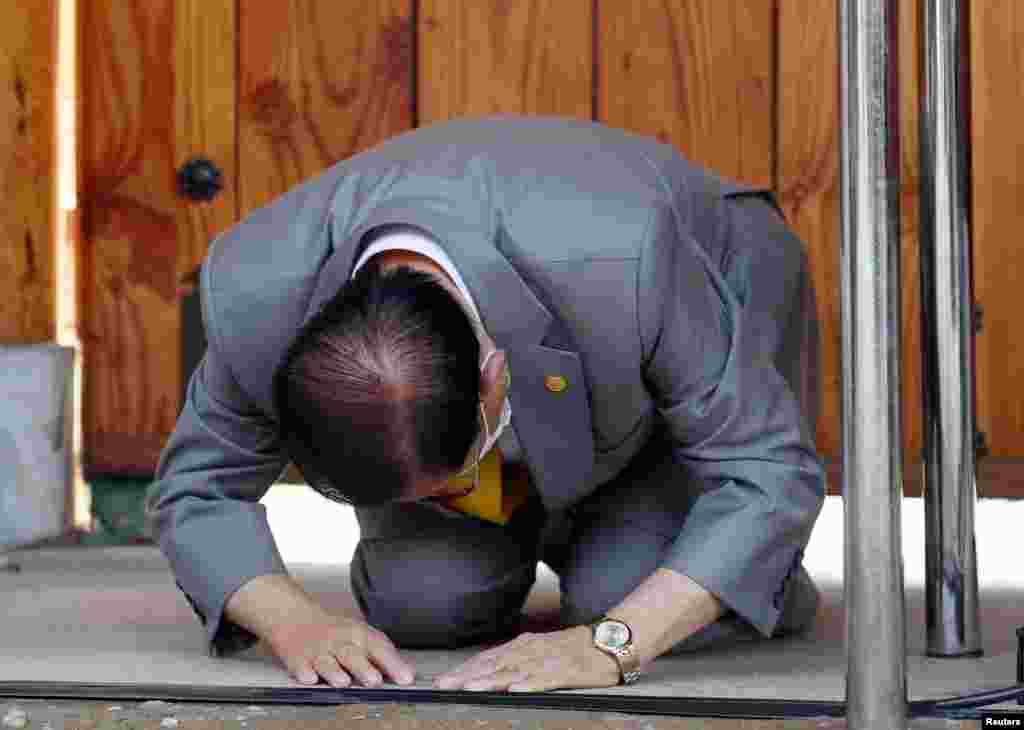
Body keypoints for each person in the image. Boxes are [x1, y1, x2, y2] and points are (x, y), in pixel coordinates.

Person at [145, 115, 826, 693]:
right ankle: (574, 542)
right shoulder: (256, 298)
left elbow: (765, 471)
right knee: (423, 604)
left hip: (703, 302)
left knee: (616, 592)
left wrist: (614, 641)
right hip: (532, 369)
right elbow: (197, 487)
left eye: (458, 480)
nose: (457, 501)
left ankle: (664, 552)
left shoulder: (629, 256)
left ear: (496, 378)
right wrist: (294, 621)